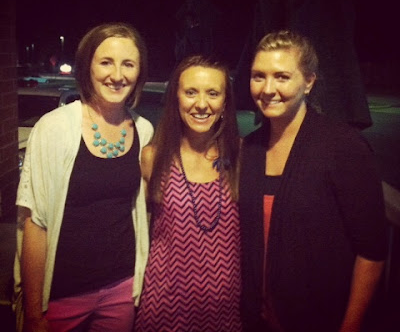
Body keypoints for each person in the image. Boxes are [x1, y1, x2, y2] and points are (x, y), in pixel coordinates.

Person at [239, 30, 387, 332]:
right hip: (257, 320)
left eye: (282, 77)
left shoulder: (342, 147)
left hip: (320, 320)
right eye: (258, 76)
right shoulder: (250, 148)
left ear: (308, 81)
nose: (268, 89)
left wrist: (351, 326)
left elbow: (371, 250)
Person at [14, 22, 153, 332]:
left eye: (128, 64)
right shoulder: (55, 128)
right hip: (61, 295)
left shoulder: (143, 130)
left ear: (139, 72)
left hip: (121, 290)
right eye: (106, 62)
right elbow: (35, 222)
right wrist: (34, 313)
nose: (117, 75)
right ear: (88, 66)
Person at [135, 55, 242, 331]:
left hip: (225, 310)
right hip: (163, 307)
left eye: (213, 93)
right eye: (191, 92)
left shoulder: (241, 156)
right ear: (176, 98)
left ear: (225, 102)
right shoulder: (153, 157)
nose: (202, 104)